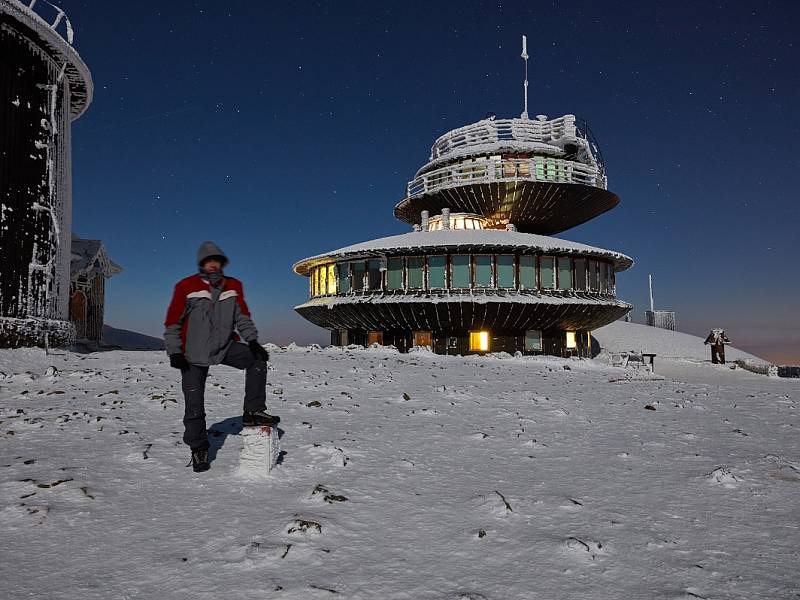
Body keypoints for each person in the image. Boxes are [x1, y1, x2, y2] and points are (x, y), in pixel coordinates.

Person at [164, 241, 279, 472]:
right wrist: (175, 351)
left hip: (224, 347)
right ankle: (198, 449)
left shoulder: (233, 286)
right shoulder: (186, 286)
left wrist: (253, 341)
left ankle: (253, 411)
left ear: (222, 263)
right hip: (192, 353)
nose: (213, 265)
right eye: (208, 261)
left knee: (257, 359)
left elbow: (242, 317)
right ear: (202, 264)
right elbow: (173, 322)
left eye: (216, 261)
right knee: (194, 403)